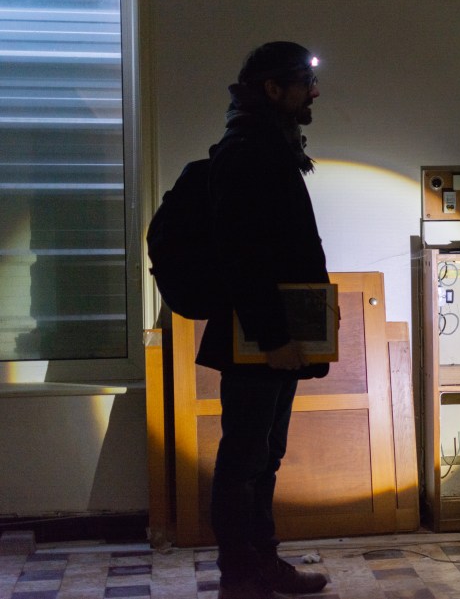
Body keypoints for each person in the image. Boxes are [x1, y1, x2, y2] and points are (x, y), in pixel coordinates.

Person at [195, 41, 332, 599]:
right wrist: (274, 337)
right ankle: (240, 575)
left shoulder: (268, 144)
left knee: (263, 455)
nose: (314, 93)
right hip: (256, 336)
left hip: (268, 333)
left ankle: (261, 564)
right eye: (304, 83)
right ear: (273, 90)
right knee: (244, 458)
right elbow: (241, 257)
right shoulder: (249, 150)